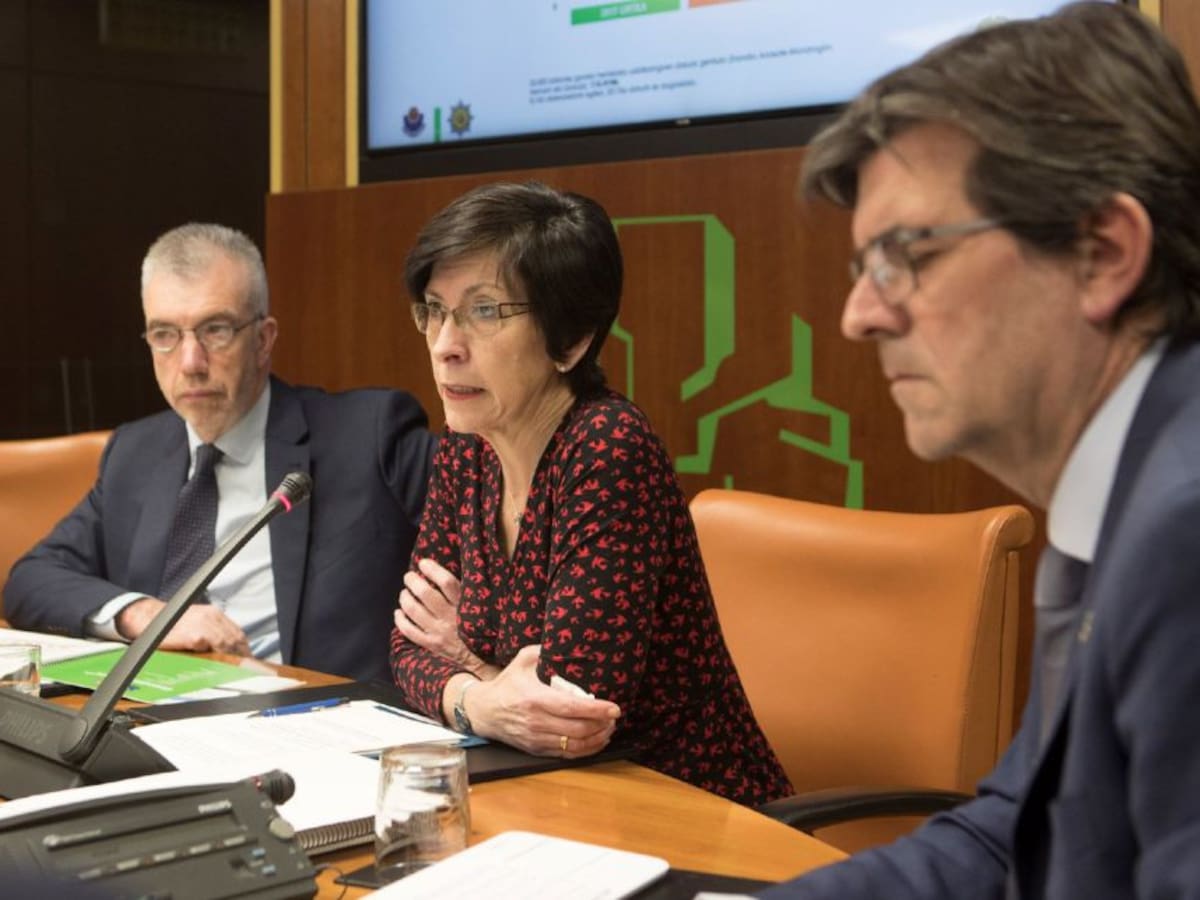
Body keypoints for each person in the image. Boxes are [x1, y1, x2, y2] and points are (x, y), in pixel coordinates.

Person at [761, 3, 1200, 898]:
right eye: (864, 267)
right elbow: (1014, 833)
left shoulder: (1184, 529)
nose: (859, 315)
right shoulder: (1124, 490)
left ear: (1102, 251)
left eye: (904, 255)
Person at [389, 181, 791, 806]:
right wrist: (484, 699)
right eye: (435, 310)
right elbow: (407, 645)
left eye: (484, 311)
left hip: (687, 806)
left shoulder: (607, 448)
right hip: (553, 800)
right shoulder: (468, 447)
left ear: (572, 339)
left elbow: (571, 716)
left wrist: (461, 657)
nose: (445, 346)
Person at [4, 223, 437, 682]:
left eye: (215, 330)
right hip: (154, 713)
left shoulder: (368, 436)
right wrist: (145, 615)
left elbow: (488, 534)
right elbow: (32, 579)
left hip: (312, 713)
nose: (190, 362)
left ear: (263, 339)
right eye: (165, 334)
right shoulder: (134, 453)